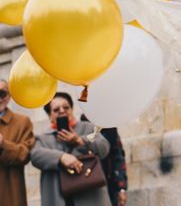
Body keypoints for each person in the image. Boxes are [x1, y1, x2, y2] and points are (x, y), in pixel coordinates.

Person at [31, 92, 111, 206]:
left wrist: (80, 141)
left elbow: (104, 148)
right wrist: (62, 157)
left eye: (66, 107)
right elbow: (35, 155)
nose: (62, 111)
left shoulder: (88, 128)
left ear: (72, 109)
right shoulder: (43, 138)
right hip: (59, 198)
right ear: (49, 115)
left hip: (90, 195)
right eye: (56, 109)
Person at [0, 78, 35, 206]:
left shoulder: (22, 122)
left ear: (9, 96)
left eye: (2, 93)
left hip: (9, 192)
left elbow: (25, 154)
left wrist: (3, 144)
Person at [81, 115, 128, 206]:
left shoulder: (110, 128)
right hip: (88, 185)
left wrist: (121, 188)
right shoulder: (82, 127)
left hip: (108, 182)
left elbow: (118, 158)